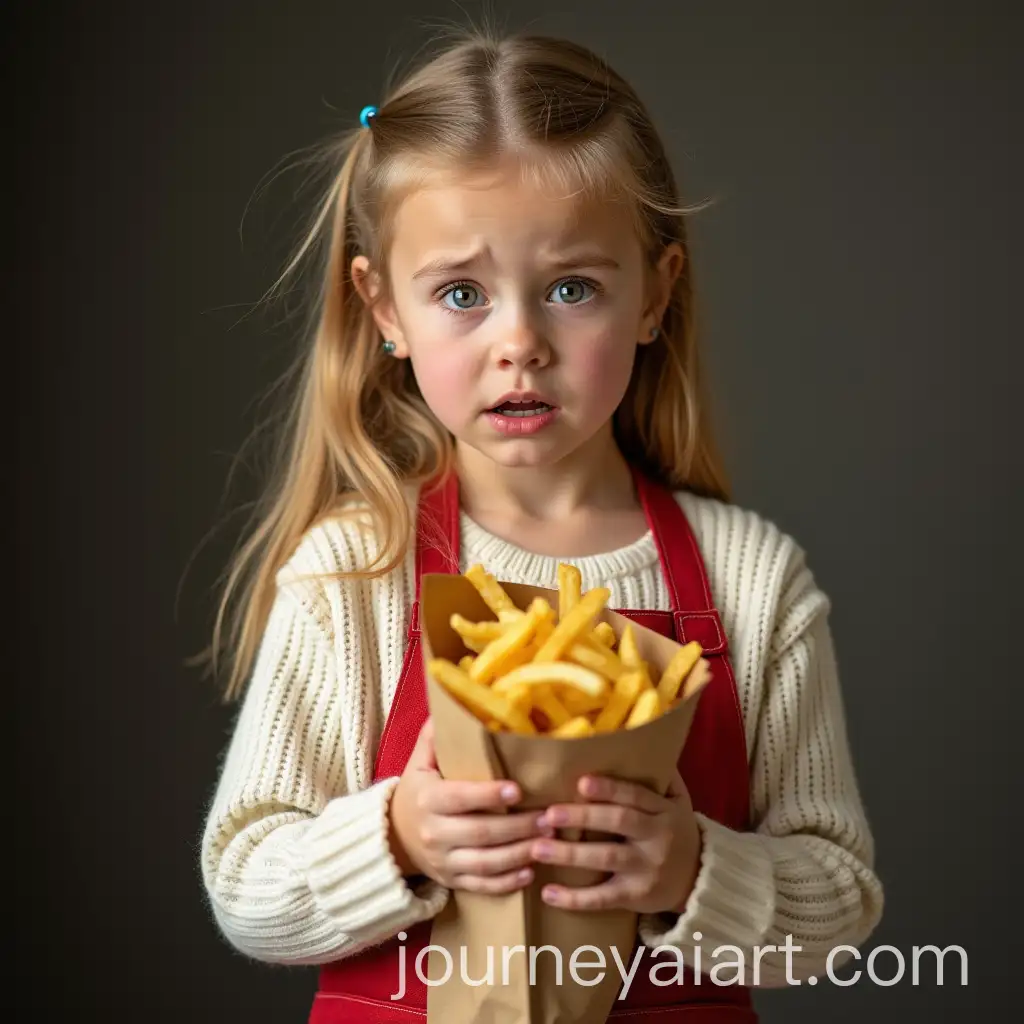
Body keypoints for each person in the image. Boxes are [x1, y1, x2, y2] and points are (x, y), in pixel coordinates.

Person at [198, 27, 883, 1023]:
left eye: (572, 288)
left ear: (654, 293)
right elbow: (244, 884)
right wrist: (396, 836)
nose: (519, 343)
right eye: (461, 295)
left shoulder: (749, 578)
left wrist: (694, 865)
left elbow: (840, 894)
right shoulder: (356, 572)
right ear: (382, 306)